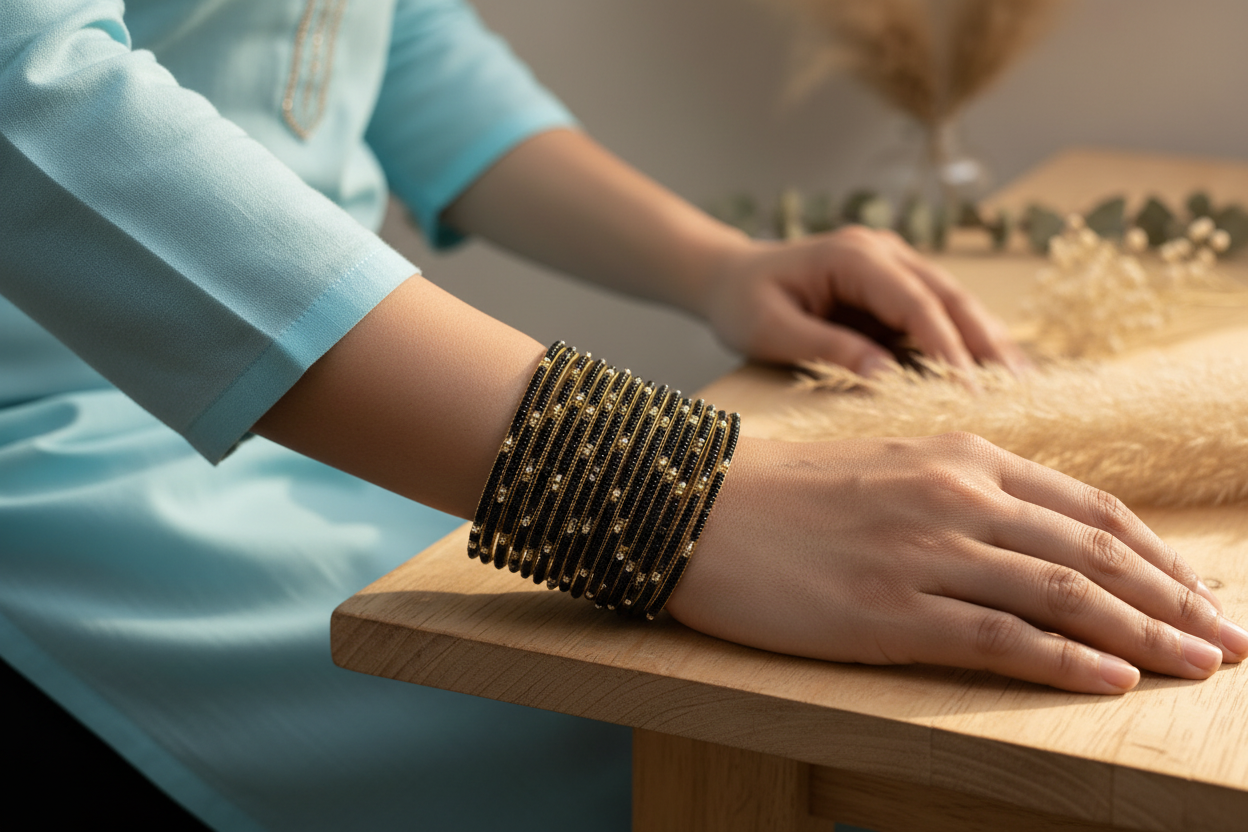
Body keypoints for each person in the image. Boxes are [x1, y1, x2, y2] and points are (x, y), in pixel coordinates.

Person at [2, 1, 1245, 830]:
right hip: (60, 473)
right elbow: (31, 92)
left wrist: (714, 266)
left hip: (321, 413)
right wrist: (662, 491)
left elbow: (388, 33)